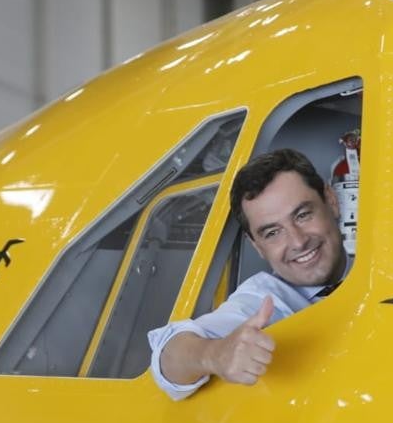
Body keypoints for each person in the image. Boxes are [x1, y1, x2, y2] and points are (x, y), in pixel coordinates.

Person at [147, 148, 348, 400]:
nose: (298, 241)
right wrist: (215, 354)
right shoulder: (261, 301)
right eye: (272, 233)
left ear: (331, 200)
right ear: (257, 246)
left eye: (303, 215)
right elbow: (168, 357)